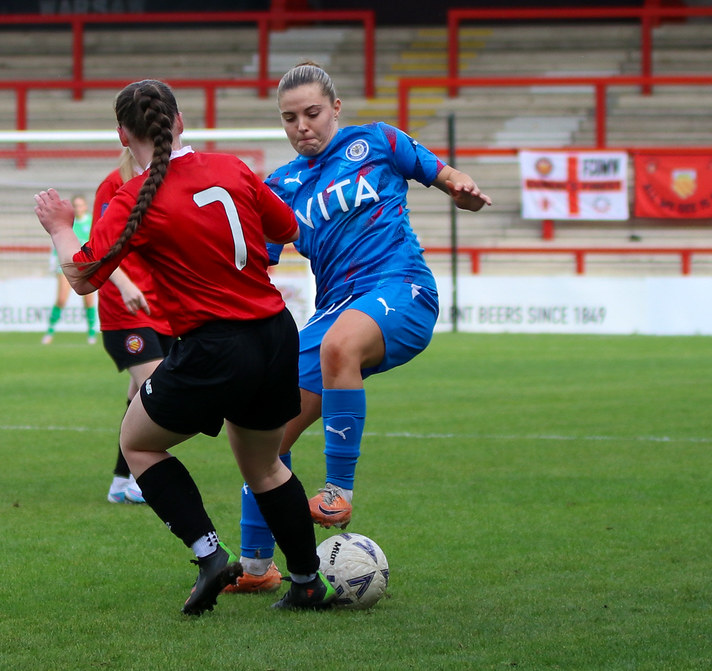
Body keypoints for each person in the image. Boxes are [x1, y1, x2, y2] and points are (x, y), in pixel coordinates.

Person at [35, 79, 335, 614]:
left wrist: (59, 227)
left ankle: (209, 554)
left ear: (124, 136)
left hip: (214, 344)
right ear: (180, 122)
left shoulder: (134, 197)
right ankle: (308, 582)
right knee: (265, 467)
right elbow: (286, 226)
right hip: (273, 333)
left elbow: (82, 276)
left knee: (139, 444)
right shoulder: (232, 167)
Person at [229, 62, 493, 590]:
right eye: (289, 118)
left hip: (401, 287)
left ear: (336, 109)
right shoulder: (278, 187)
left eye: (312, 113)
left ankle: (338, 490)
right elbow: (254, 263)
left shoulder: (376, 142)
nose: (302, 126)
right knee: (264, 437)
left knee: (339, 344)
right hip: (332, 309)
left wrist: (459, 186)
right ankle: (257, 568)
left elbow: (443, 174)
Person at [96, 148, 176, 505]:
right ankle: (146, 476)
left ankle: (122, 480)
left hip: (165, 308)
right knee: (159, 389)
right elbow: (97, 249)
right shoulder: (113, 185)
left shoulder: (169, 181)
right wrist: (126, 285)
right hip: (124, 311)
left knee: (138, 395)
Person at [42, 194, 98, 345]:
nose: (78, 208)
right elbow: (59, 241)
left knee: (88, 300)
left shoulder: (92, 222)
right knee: (61, 299)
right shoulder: (69, 223)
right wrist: (54, 259)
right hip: (67, 264)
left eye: (80, 205)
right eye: (76, 205)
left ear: (85, 207)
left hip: (86, 264)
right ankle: (50, 331)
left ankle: (91, 333)